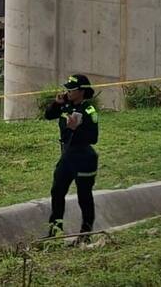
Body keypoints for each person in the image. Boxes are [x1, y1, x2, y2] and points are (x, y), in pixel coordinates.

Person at [44, 74, 99, 245]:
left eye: (71, 90)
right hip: (67, 157)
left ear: (81, 91)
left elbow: (93, 138)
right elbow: (48, 115)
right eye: (67, 89)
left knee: (84, 196)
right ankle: (55, 230)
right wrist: (56, 103)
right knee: (57, 191)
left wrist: (77, 129)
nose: (67, 92)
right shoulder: (65, 106)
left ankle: (86, 233)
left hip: (84, 158)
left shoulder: (89, 110)